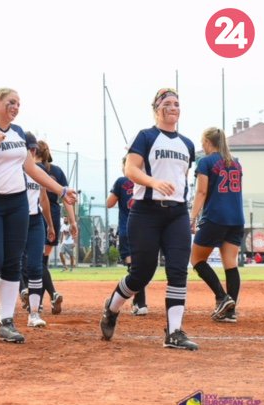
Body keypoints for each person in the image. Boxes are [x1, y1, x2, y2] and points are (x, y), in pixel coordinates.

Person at [0, 88, 76, 343]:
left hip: (17, 203)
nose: (16, 107)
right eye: (11, 102)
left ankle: (6, 321)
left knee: (12, 264)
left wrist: (61, 190)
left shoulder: (19, 132)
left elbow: (32, 169)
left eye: (19, 103)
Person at [99, 88, 197, 350]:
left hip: (177, 213)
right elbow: (130, 168)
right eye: (167, 103)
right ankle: (112, 308)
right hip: (146, 212)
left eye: (177, 103)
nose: (173, 107)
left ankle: (174, 332)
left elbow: (182, 178)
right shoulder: (145, 136)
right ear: (156, 109)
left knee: (178, 270)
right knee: (141, 273)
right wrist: (153, 182)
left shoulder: (187, 144)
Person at [190, 127, 244, 323]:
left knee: (196, 259)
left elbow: (201, 192)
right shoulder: (235, 162)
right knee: (230, 263)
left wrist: (192, 217)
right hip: (236, 219)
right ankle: (230, 312)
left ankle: (222, 297)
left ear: (207, 142)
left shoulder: (205, 161)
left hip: (216, 217)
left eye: (202, 142)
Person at [34, 140, 77, 314]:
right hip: (53, 213)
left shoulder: (30, 168)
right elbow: (67, 198)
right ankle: (42, 299)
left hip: (36, 213)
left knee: (32, 261)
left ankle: (47, 296)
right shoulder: (56, 171)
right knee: (42, 260)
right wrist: (73, 221)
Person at [19, 132, 56, 328]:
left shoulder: (38, 170)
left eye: (34, 149)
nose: (32, 152)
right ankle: (11, 300)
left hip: (35, 221)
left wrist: (49, 224)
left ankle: (34, 312)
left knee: (35, 266)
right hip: (15, 220)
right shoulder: (12, 169)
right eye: (29, 148)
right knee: (11, 264)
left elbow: (43, 198)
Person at [106, 158, 149, 316]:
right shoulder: (147, 179)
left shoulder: (121, 181)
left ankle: (139, 303)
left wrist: (119, 193)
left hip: (127, 229)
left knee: (134, 268)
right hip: (145, 229)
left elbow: (109, 203)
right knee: (141, 267)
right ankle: (139, 302)